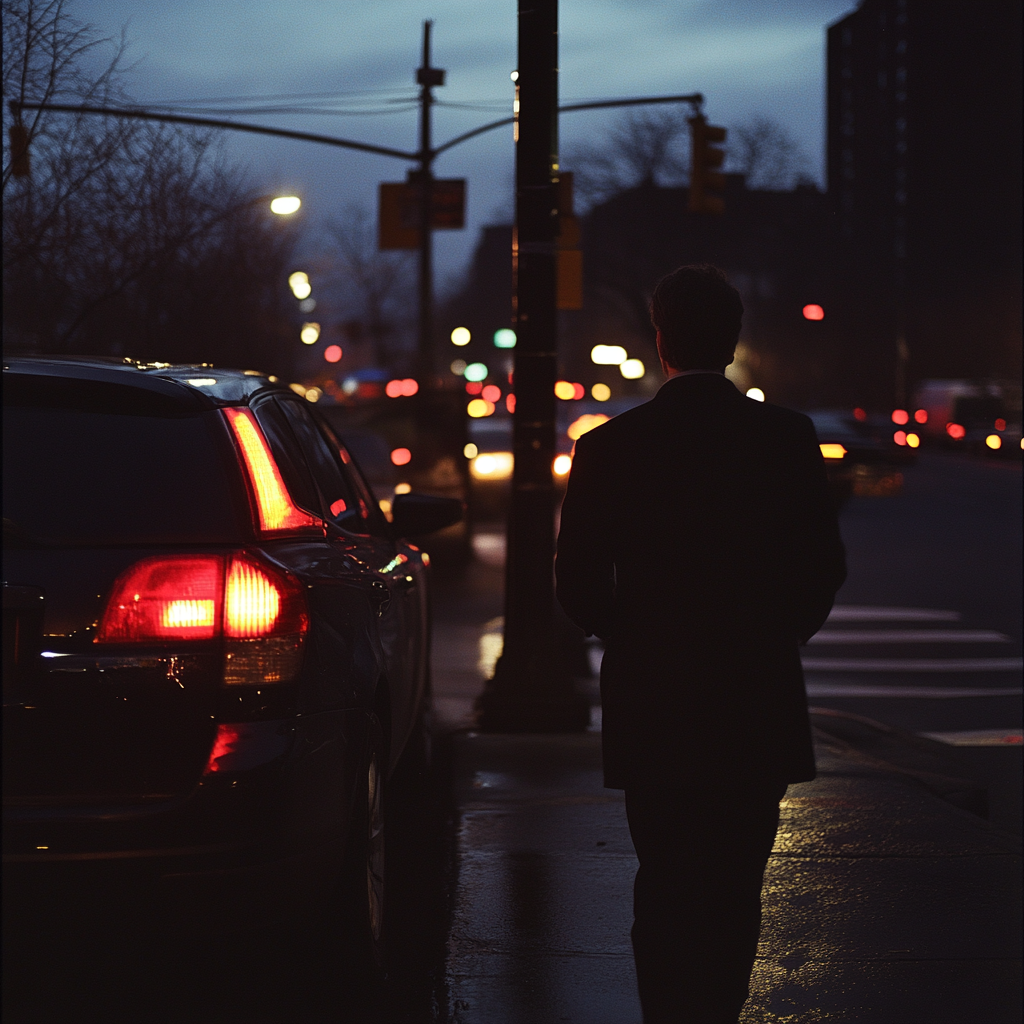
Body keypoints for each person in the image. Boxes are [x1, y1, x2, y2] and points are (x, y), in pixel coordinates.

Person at [555, 264, 846, 1023]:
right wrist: (776, 634)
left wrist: (631, 634)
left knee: (665, 880)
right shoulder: (786, 438)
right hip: (756, 694)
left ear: (660, 341)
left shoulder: (611, 447)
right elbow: (822, 567)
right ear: (733, 337)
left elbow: (578, 581)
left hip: (654, 699)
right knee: (735, 885)